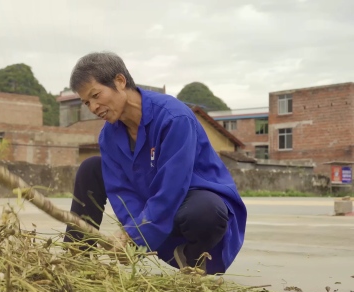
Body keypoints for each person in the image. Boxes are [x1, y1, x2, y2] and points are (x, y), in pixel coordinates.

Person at [63, 51, 247, 275]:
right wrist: (131, 233)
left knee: (205, 211)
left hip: (192, 201)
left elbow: (173, 186)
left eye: (96, 95)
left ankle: (193, 262)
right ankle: (75, 260)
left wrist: (136, 235)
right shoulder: (108, 136)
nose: (93, 107)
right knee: (91, 168)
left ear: (120, 81)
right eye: (86, 102)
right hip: (152, 207)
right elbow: (121, 190)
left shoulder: (173, 117)